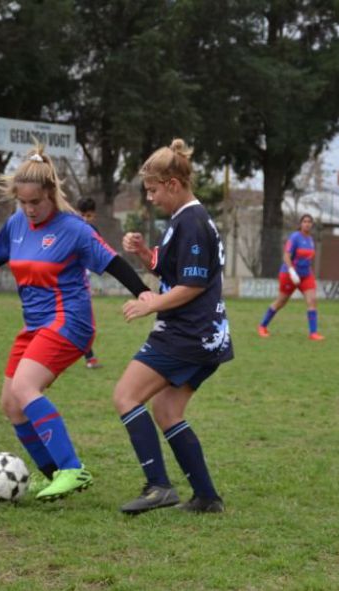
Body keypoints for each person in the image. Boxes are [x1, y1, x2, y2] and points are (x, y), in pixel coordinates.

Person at [0, 147, 150, 501]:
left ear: (51, 194)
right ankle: (53, 477)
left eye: (36, 202)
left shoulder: (74, 229)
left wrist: (143, 293)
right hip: (34, 325)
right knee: (11, 404)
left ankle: (72, 469)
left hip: (70, 321)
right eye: (23, 202)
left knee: (25, 387)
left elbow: (112, 262)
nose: (29, 209)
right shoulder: (17, 223)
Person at [113, 138, 233, 515]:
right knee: (166, 411)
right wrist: (144, 254)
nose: (150, 198)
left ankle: (159, 487)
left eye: (152, 190)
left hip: (187, 334)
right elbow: (172, 271)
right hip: (204, 337)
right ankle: (206, 497)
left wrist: (151, 305)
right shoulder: (181, 221)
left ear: (173, 184)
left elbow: (192, 285)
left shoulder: (193, 222)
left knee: (126, 396)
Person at [257, 214, 323, 340]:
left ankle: (313, 333)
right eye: (305, 221)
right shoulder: (295, 237)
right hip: (289, 275)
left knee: (312, 300)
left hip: (306, 275)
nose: (307, 224)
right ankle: (262, 326)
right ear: (300, 224)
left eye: (309, 222)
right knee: (281, 302)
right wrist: (292, 271)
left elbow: (308, 258)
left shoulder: (310, 240)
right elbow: (286, 256)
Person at [76, 196, 102, 369]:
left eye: (89, 216)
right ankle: (89, 358)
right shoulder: (72, 229)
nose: (85, 219)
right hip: (72, 282)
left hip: (82, 280)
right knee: (81, 321)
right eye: (83, 215)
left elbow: (99, 255)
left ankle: (89, 357)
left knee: (79, 319)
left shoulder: (91, 231)